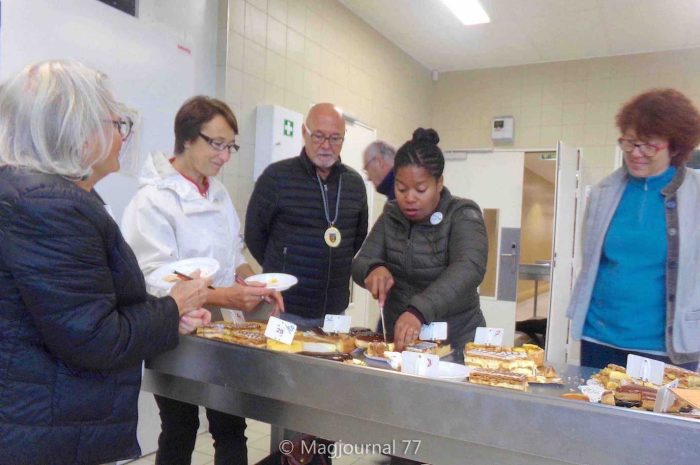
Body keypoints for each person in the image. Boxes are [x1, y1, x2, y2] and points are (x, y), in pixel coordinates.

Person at [0, 60, 211, 465]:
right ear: (75, 132)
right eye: (117, 124)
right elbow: (94, 338)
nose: (122, 137)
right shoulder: (52, 207)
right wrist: (175, 305)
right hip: (42, 430)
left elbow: (81, 306)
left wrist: (164, 315)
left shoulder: (40, 196)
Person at [121, 96, 282, 465]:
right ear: (188, 139)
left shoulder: (218, 192)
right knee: (180, 427)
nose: (225, 156)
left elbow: (234, 252)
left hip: (222, 332)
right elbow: (155, 280)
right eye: (217, 144)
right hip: (173, 332)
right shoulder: (153, 200)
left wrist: (255, 283)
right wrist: (225, 296)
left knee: (230, 424)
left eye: (231, 147)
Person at [567, 88, 700, 371]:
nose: (635, 154)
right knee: (596, 414)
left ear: (674, 147)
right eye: (629, 143)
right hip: (599, 338)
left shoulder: (696, 196)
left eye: (648, 145)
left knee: (657, 416)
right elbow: (592, 261)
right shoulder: (603, 192)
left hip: (665, 346)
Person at [352, 128, 488, 365]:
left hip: (454, 341)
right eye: (401, 189)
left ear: (439, 183)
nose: (409, 198)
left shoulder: (462, 214)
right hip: (402, 341)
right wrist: (373, 269)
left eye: (420, 189)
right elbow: (361, 262)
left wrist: (418, 311)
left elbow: (469, 268)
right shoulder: (392, 215)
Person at [245, 102, 368, 328]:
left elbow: (357, 237)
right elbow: (254, 235)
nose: (326, 146)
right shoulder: (276, 177)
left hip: (335, 310)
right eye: (318, 136)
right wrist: (281, 262)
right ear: (304, 132)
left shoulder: (354, 184)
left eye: (335, 138)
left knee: (330, 363)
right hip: (285, 307)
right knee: (282, 364)